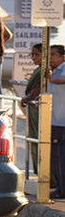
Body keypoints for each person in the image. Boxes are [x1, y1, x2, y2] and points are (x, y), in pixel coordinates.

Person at [21, 43, 43, 175]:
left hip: (36, 111)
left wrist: (26, 98)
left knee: (36, 139)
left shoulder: (42, 71)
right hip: (32, 111)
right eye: (32, 55)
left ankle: (41, 171)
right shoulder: (39, 69)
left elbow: (38, 89)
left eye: (37, 55)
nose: (34, 58)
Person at [48, 44, 65, 199]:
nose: (51, 58)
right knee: (55, 156)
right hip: (53, 120)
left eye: (53, 55)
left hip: (62, 120)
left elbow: (63, 80)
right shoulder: (51, 71)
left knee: (60, 156)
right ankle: (60, 186)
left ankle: (62, 189)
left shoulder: (62, 70)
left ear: (62, 57)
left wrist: (51, 78)